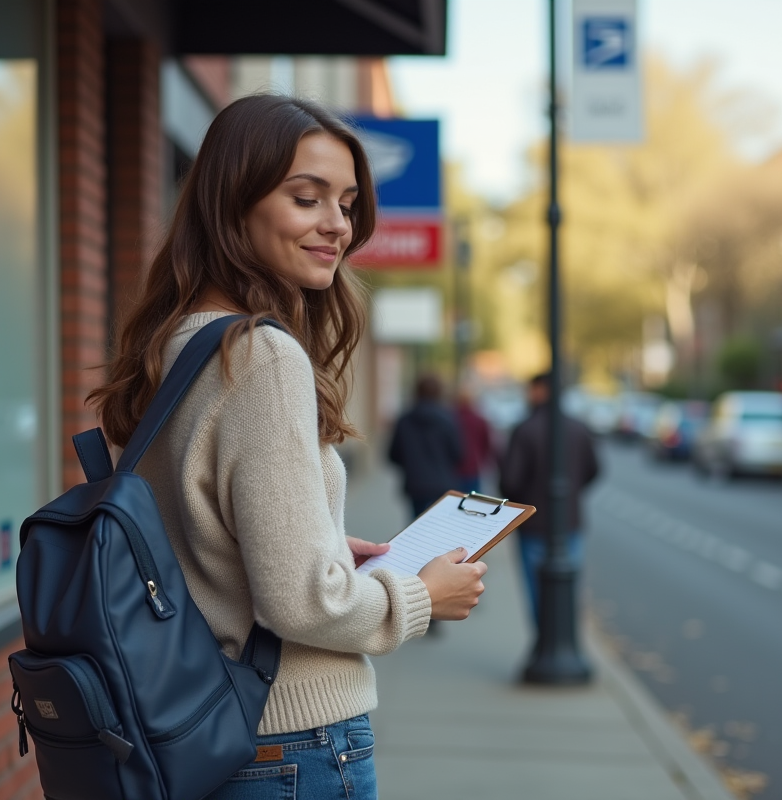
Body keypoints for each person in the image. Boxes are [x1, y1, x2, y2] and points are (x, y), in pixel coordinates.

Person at [87, 94, 487, 800]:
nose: (336, 224)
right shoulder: (262, 357)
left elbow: (195, 537)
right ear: (233, 202)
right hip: (289, 742)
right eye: (307, 198)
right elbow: (303, 606)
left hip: (200, 727)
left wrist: (325, 540)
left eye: (347, 202)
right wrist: (420, 597)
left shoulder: (175, 342)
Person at [499, 372, 600, 623]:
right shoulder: (578, 428)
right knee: (566, 591)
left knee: (537, 591)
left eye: (531, 389)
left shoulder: (525, 429)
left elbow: (510, 481)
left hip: (533, 523)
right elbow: (594, 470)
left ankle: (542, 644)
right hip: (569, 521)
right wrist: (571, 491)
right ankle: (565, 640)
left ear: (540, 391)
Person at [388, 374, 462, 518]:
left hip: (416, 484)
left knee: (416, 527)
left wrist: (411, 463)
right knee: (441, 527)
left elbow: (393, 454)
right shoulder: (448, 419)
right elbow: (458, 453)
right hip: (442, 484)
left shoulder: (404, 420)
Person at [454, 389, 494, 494]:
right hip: (472, 468)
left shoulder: (451, 418)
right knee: (472, 503)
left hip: (454, 469)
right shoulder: (479, 420)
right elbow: (487, 444)